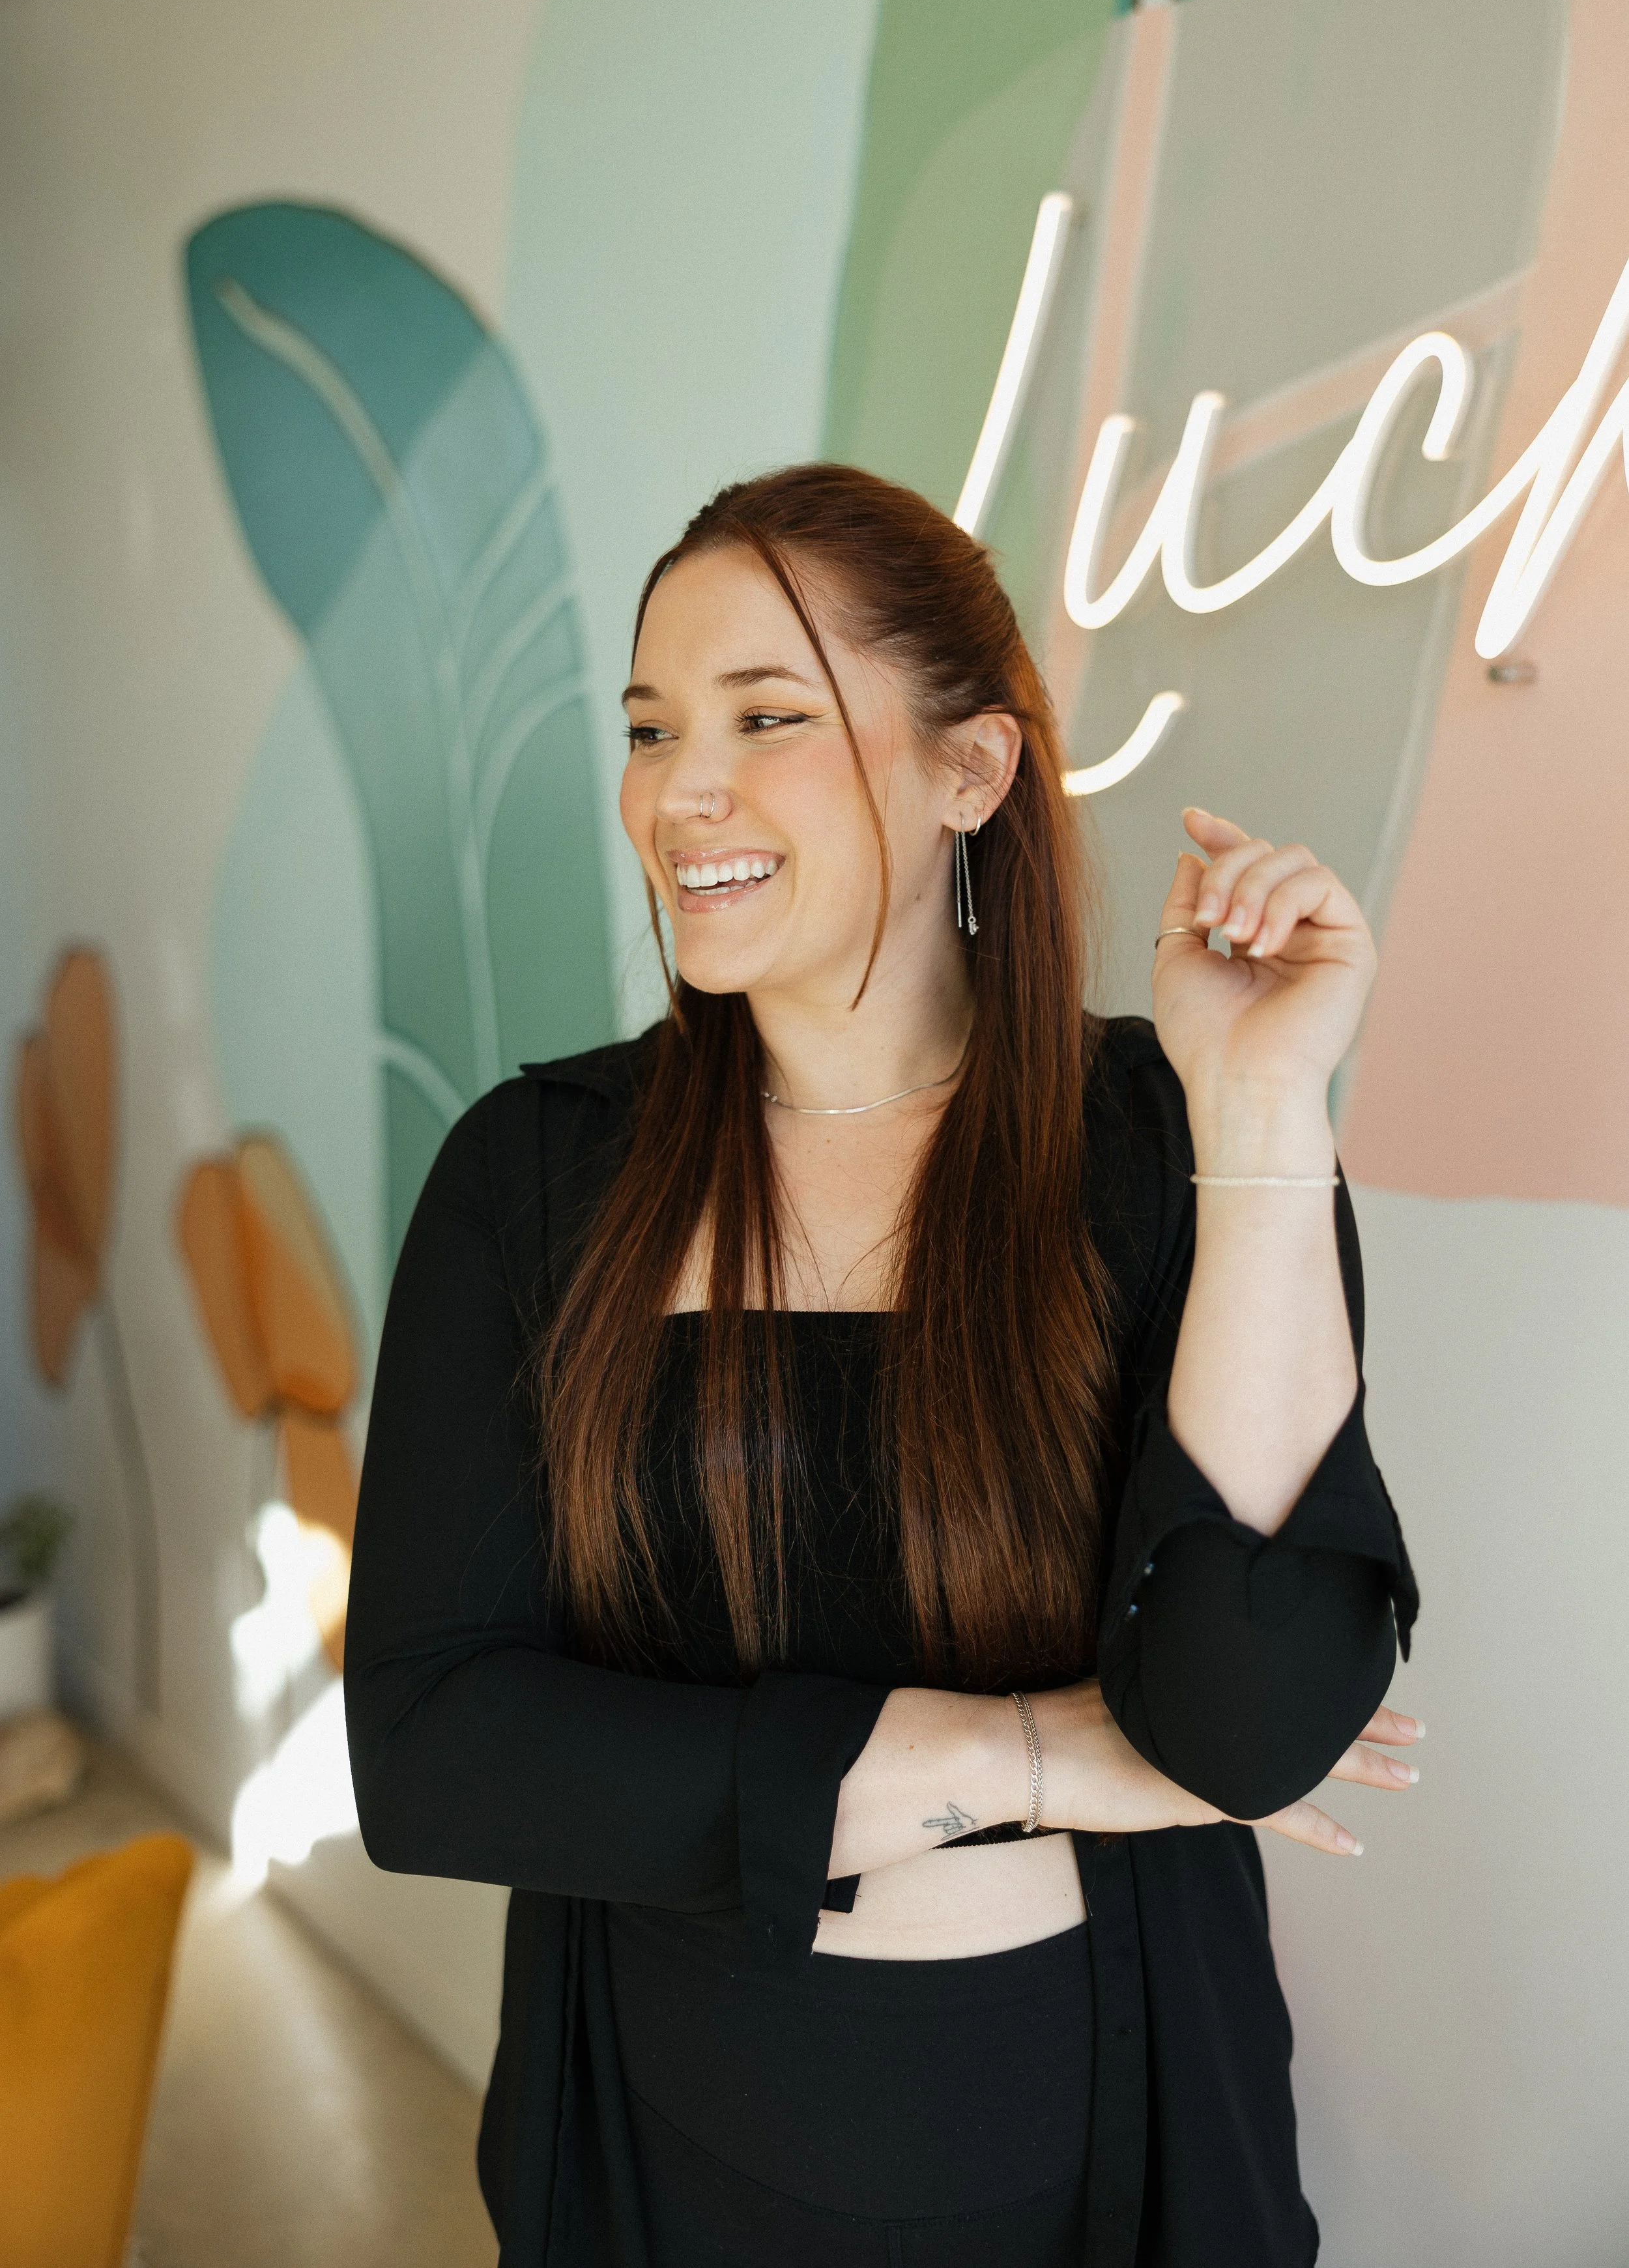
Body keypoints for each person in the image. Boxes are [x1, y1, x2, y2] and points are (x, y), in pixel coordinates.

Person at [345, 462, 1419, 2268]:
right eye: (648, 724)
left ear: (969, 771)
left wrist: (1259, 1107)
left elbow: (1240, 1727)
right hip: (665, 2127)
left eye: (767, 716)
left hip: (1104, 2126)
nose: (681, 788)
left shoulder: (1164, 1140)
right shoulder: (534, 1174)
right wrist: (1029, 1751)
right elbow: (436, 1751)